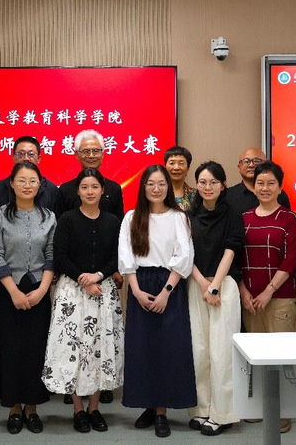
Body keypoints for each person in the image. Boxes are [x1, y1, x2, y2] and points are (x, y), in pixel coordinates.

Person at [42, 168, 124, 434]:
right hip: (72, 292)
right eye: (85, 187)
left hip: (103, 290)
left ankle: (94, 408)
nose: (90, 192)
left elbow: (117, 256)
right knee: (74, 349)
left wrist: (98, 276)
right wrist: (83, 279)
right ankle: (78, 409)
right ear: (77, 191)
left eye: (95, 187)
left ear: (103, 190)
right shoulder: (67, 219)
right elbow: (60, 256)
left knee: (99, 349)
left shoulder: (113, 221)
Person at [118, 165, 195, 438]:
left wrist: (166, 292)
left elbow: (184, 257)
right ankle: (149, 406)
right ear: (143, 187)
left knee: (167, 349)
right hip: (140, 284)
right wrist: (136, 292)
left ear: (168, 187)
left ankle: (162, 412)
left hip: (169, 286)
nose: (156, 188)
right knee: (142, 349)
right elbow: (126, 257)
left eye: (161, 183)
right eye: (151, 183)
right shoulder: (131, 217)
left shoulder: (179, 217)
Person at [54, 129, 124, 405]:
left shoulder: (114, 189)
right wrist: (81, 277)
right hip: (74, 280)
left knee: (100, 340)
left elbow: (118, 240)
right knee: (75, 340)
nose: (91, 155)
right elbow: (60, 245)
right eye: (86, 150)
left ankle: (100, 388)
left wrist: (107, 272)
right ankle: (74, 388)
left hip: (104, 277)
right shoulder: (64, 191)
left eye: (96, 150)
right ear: (77, 154)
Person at [0, 162, 56, 435]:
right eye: (22, 180)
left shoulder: (49, 216)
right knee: (10, 349)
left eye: (33, 181)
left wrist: (42, 291)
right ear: (12, 184)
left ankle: (32, 407)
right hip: (7, 291)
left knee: (35, 350)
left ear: (40, 185)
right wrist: (14, 291)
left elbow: (51, 255)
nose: (27, 185)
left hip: (39, 289)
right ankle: (14, 407)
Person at [238, 161, 296, 434]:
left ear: (280, 187)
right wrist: (244, 291)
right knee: (257, 357)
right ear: (254, 187)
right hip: (250, 299)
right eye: (260, 183)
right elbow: (237, 259)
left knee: (281, 356)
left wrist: (268, 291)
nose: (265, 188)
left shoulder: (289, 219)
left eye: (271, 183)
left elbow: (291, 261)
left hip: (279, 297)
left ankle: (283, 410)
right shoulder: (244, 218)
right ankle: (259, 407)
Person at [186, 161, 244, 436]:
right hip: (196, 285)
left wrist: (215, 286)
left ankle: (222, 414)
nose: (207, 187)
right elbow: (185, 253)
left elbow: (231, 250)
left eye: (213, 182)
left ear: (223, 185)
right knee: (199, 351)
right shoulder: (189, 215)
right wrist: (202, 283)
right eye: (202, 182)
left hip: (224, 286)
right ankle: (202, 409)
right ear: (196, 185)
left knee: (221, 352)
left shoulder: (233, 214)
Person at [0, 135, 59, 211]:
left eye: (31, 154)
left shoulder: (51, 189)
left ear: (39, 158)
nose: (26, 158)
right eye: (21, 154)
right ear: (13, 157)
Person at [225, 147, 291, 215]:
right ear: (239, 167)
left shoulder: (278, 194)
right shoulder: (228, 195)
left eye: (256, 161)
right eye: (246, 162)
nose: (251, 165)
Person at [164, 146, 195, 211]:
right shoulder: (158, 193)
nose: (176, 168)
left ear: (188, 168)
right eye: (172, 163)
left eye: (181, 163)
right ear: (165, 167)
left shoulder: (195, 195)